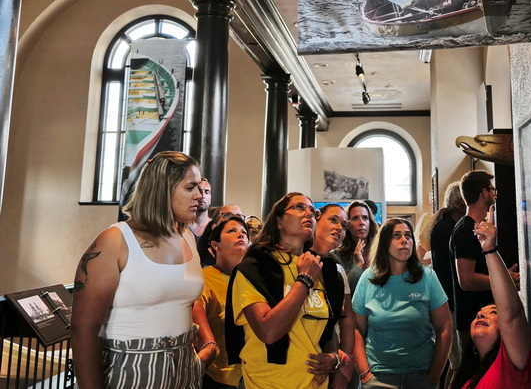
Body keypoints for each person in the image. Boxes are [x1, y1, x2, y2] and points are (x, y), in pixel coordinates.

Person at [72, 151, 206, 389]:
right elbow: (83, 328)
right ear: (163, 189)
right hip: (132, 365)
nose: (200, 196)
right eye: (190, 187)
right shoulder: (115, 241)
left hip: (185, 362)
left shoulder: (187, 236)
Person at [225, 192, 345, 389]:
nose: (308, 213)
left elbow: (328, 327)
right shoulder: (255, 267)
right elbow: (268, 331)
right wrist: (304, 280)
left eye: (312, 211)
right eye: (299, 207)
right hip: (267, 382)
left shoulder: (323, 268)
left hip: (314, 384)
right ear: (279, 221)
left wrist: (333, 356)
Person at [352, 218, 452, 388]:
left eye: (408, 236)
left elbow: (444, 326)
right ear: (384, 243)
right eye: (396, 236)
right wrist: (364, 374)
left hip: (420, 375)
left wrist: (434, 375)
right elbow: (356, 329)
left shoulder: (427, 276)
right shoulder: (368, 278)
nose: (404, 240)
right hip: (378, 377)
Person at [452, 217, 531, 388]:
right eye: (480, 314)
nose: (481, 314)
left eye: (493, 312)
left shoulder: (515, 361)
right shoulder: (469, 377)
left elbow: (512, 314)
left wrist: (490, 251)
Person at [450, 171, 519, 364]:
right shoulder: (465, 230)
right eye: (492, 189)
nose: (495, 194)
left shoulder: (476, 227)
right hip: (473, 318)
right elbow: (467, 280)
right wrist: (505, 280)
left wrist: (504, 275)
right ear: (484, 193)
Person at [193, 213, 250, 389]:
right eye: (232, 231)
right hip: (217, 377)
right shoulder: (203, 279)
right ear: (215, 245)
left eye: (243, 232)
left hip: (254, 374)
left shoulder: (254, 279)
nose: (240, 234)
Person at [311, 204, 357, 389]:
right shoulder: (294, 262)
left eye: (344, 226)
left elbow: (346, 320)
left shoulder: (337, 271)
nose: (339, 228)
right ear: (316, 219)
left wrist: (342, 368)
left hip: (333, 358)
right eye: (333, 220)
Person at [430, 181, 467, 387]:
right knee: (457, 362)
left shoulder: (446, 226)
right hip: (449, 301)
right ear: (457, 202)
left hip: (451, 299)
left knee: (458, 362)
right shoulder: (446, 229)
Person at [333, 201, 379, 292]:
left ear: (370, 223)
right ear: (348, 225)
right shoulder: (336, 256)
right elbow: (344, 291)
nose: (361, 222)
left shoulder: (380, 251)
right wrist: (358, 265)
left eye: (365, 218)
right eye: (355, 218)